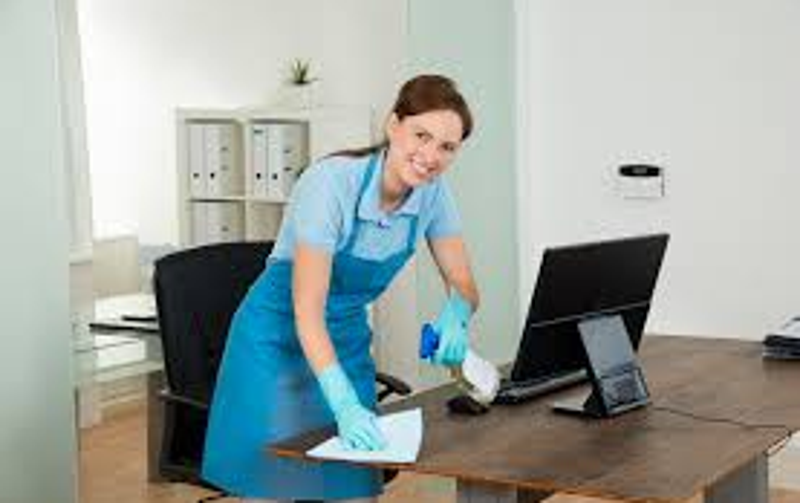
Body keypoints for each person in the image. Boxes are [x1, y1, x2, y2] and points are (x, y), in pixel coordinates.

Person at [202, 74, 481, 502]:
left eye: (447, 147)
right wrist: (344, 404)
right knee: (273, 486)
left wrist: (458, 312)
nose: (430, 156)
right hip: (275, 342)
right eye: (421, 135)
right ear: (393, 125)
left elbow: (463, 281)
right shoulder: (329, 184)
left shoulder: (433, 195)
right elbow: (307, 312)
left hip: (344, 342)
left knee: (352, 488)